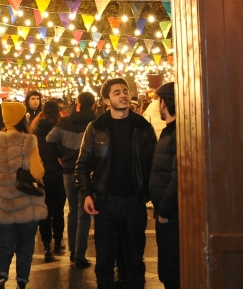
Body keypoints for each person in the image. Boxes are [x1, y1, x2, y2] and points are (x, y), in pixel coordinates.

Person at [75, 78, 156, 289]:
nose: (123, 96)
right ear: (107, 100)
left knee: (135, 261)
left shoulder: (143, 127)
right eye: (117, 92)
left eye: (125, 91)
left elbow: (153, 164)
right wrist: (87, 193)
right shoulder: (96, 128)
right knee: (104, 261)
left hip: (134, 201)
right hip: (106, 200)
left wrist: (149, 195)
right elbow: (82, 164)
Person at [0, 101, 48, 289]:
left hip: (2, 203)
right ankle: (21, 280)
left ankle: (0, 275)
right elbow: (37, 172)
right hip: (27, 204)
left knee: (3, 245)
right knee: (25, 246)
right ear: (21, 118)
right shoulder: (28, 140)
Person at [46, 91, 97, 268]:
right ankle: (80, 255)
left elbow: (50, 138)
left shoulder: (65, 121)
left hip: (68, 170)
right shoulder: (95, 122)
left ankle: (73, 252)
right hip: (87, 172)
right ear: (93, 105)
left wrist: (60, 155)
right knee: (84, 213)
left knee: (73, 210)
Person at [149, 82, 179, 289]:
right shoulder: (169, 132)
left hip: (171, 214)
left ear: (164, 103)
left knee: (172, 269)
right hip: (166, 212)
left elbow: (178, 176)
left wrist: (164, 210)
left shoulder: (175, 134)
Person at [34, 100, 65, 262]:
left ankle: (46, 245)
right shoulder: (61, 128)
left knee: (44, 212)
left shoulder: (35, 129)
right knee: (58, 211)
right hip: (58, 176)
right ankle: (58, 242)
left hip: (42, 176)